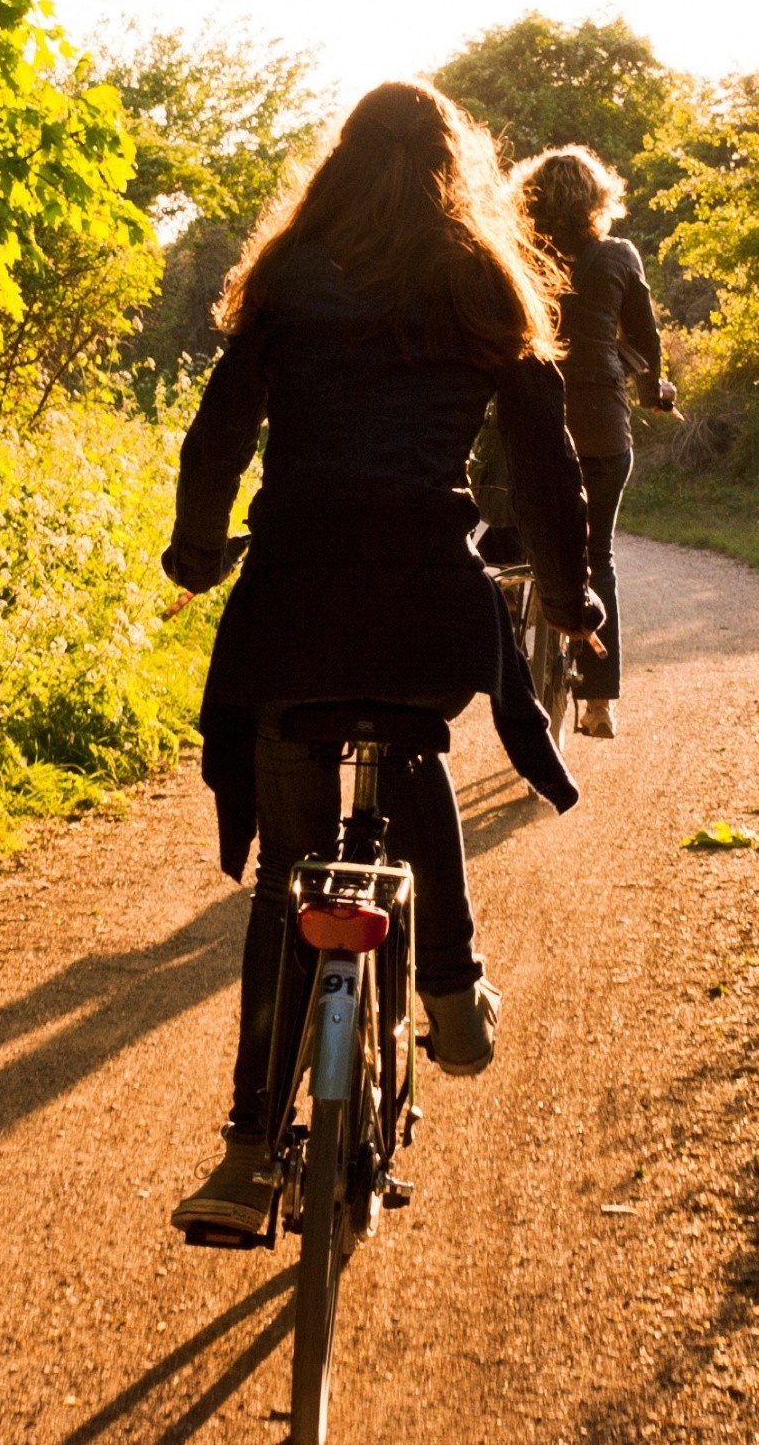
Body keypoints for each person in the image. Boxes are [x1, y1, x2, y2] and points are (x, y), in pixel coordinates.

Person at [159, 80, 601, 1241]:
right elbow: (548, 466)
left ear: (339, 164)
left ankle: (251, 1151)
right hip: (424, 596)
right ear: (459, 167)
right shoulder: (483, 283)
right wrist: (570, 597)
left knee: (286, 872)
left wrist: (198, 553)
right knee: (414, 737)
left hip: (295, 591)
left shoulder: (290, 280)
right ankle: (450, 989)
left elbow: (218, 438)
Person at [512, 145, 673, 738]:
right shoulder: (617, 257)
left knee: (509, 535)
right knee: (593, 555)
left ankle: (509, 604)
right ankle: (600, 702)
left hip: (524, 426)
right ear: (598, 200)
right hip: (599, 427)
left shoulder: (516, 256)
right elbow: (647, 339)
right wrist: (655, 389)